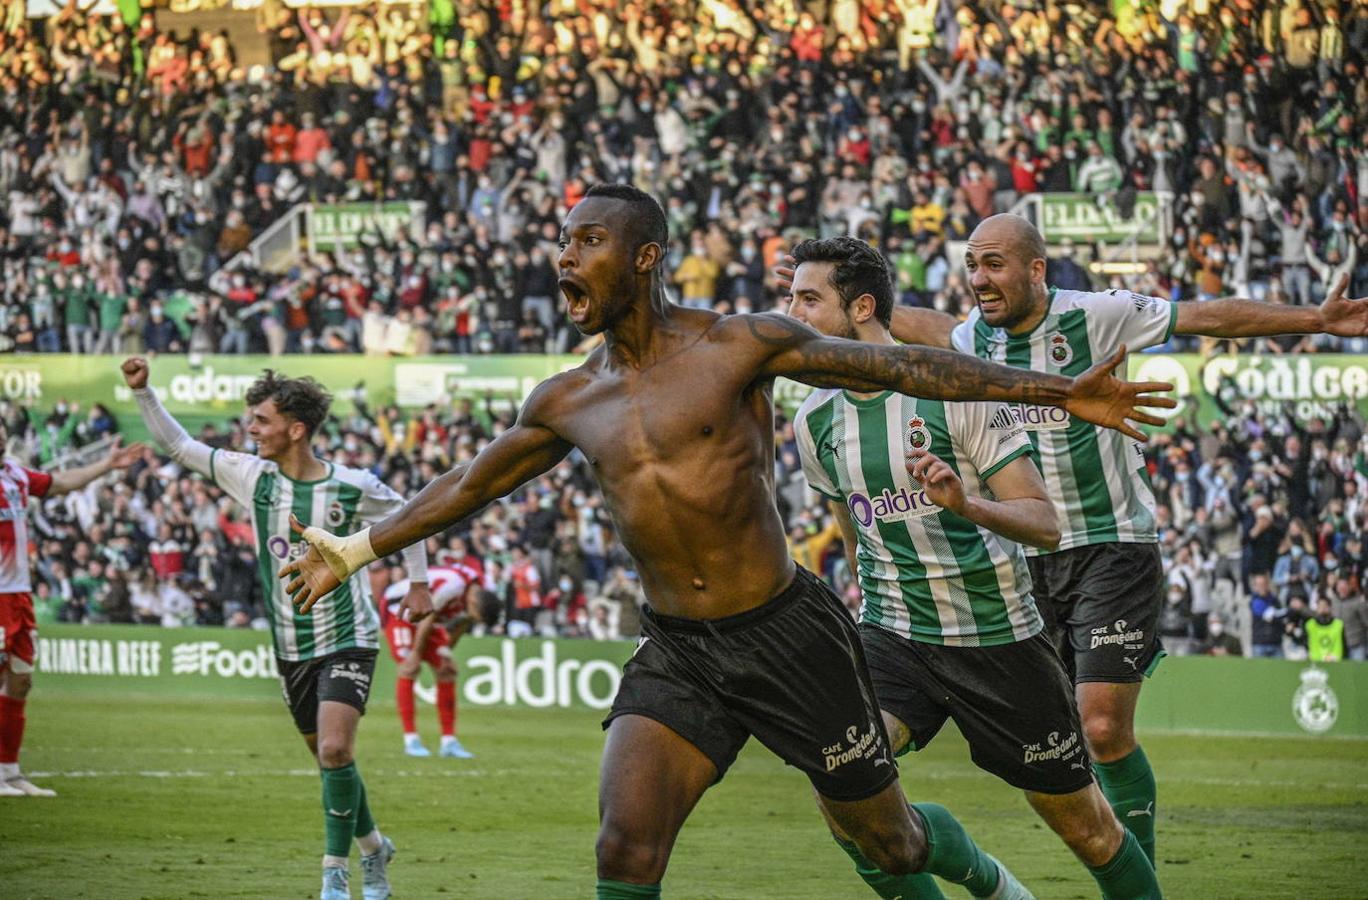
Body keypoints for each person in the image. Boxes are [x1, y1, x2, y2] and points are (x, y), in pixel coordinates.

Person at [279, 184, 1172, 900]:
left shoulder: (738, 345)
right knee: (625, 846)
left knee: (893, 845)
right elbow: (468, 485)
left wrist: (1055, 394)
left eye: (588, 240)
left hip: (791, 637)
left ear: (644, 258)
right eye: (563, 240)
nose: (565, 255)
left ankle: (978, 874)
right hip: (678, 649)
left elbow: (899, 364)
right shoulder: (565, 400)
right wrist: (356, 550)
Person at [776, 214, 1368, 864]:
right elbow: (900, 327)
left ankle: (1131, 866)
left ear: (1037, 269)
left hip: (1110, 544)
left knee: (1104, 727)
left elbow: (1206, 316)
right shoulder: (971, 339)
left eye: (994, 264)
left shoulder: (1098, 315)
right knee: (1061, 751)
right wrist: (829, 294)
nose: (978, 279)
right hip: (1024, 559)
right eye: (971, 265)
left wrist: (1315, 320)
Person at [787, 237, 1160, 899]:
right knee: (842, 787)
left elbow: (1043, 523)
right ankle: (983, 880)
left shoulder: (952, 392)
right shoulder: (815, 423)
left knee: (1091, 834)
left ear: (862, 307)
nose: (793, 315)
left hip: (1000, 641)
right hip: (895, 637)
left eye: (808, 299)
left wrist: (969, 505)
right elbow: (855, 540)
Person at [121, 358, 431, 900]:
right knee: (332, 762)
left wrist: (419, 583)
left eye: (261, 420)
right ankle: (375, 847)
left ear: (296, 429)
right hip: (290, 646)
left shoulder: (352, 486)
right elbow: (180, 447)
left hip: (348, 637)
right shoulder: (252, 477)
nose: (251, 429)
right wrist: (143, 392)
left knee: (336, 750)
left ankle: (335, 874)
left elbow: (410, 517)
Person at [0, 430, 144, 798]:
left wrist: (107, 465)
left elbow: (61, 483)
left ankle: (9, 772)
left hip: (19, 595)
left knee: (21, 682)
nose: (2, 437)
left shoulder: (15, 475)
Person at [380, 564, 478, 758]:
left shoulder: (474, 600)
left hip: (426, 619)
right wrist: (416, 653)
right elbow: (429, 613)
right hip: (399, 610)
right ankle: (411, 739)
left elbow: (461, 625)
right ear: (474, 601)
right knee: (410, 667)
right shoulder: (454, 586)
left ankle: (449, 742)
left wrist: (445, 651)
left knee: (447, 670)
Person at [1305, 597, 1346, 662]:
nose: (1323, 609)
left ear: (1330, 607)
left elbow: (1344, 644)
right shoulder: (1310, 624)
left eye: (1325, 606)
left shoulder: (1339, 624)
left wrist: (1333, 657)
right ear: (1317, 608)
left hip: (1335, 661)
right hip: (1315, 662)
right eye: (1320, 606)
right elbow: (1305, 642)